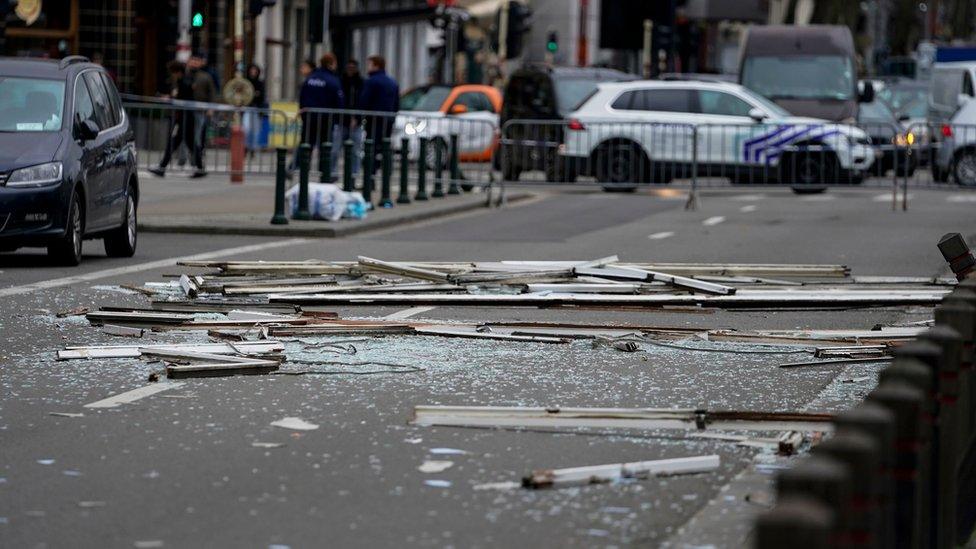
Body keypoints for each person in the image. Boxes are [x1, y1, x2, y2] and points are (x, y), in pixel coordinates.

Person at [298, 53, 344, 180]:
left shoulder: (311, 78)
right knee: (325, 148)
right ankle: (324, 174)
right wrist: (338, 118)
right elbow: (339, 100)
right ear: (331, 63)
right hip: (326, 120)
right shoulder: (332, 80)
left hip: (309, 118)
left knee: (306, 145)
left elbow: (302, 97)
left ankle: (302, 172)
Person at [149, 61, 198, 177]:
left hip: (184, 118)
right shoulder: (184, 81)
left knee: (175, 143)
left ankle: (162, 167)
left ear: (177, 72)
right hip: (184, 118)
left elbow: (182, 98)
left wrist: (170, 98)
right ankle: (199, 166)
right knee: (189, 144)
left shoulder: (184, 82)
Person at [359, 55, 399, 173]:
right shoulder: (392, 82)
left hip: (373, 120)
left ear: (376, 65)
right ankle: (387, 173)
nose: (367, 67)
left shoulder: (371, 81)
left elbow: (364, 101)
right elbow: (396, 103)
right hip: (388, 120)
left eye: (369, 64)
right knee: (385, 147)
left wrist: (359, 117)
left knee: (371, 148)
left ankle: (370, 176)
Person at [186, 52, 217, 177]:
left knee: (197, 138)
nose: (194, 63)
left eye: (196, 60)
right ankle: (196, 163)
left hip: (200, 111)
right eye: (192, 60)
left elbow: (212, 93)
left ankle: (199, 165)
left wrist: (210, 108)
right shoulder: (186, 75)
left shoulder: (205, 76)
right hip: (185, 112)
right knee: (186, 137)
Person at [337, 59, 364, 176]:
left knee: (355, 151)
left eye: (353, 68)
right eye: (349, 68)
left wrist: (357, 118)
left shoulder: (361, 83)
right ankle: (332, 173)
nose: (350, 71)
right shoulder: (341, 81)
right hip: (341, 120)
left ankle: (354, 174)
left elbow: (362, 101)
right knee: (334, 149)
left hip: (356, 123)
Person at [244, 63, 267, 155]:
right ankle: (245, 146)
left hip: (256, 108)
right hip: (247, 108)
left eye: (255, 70)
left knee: (255, 129)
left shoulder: (260, 83)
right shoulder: (246, 82)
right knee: (246, 128)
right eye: (252, 70)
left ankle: (252, 148)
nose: (253, 72)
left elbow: (261, 96)